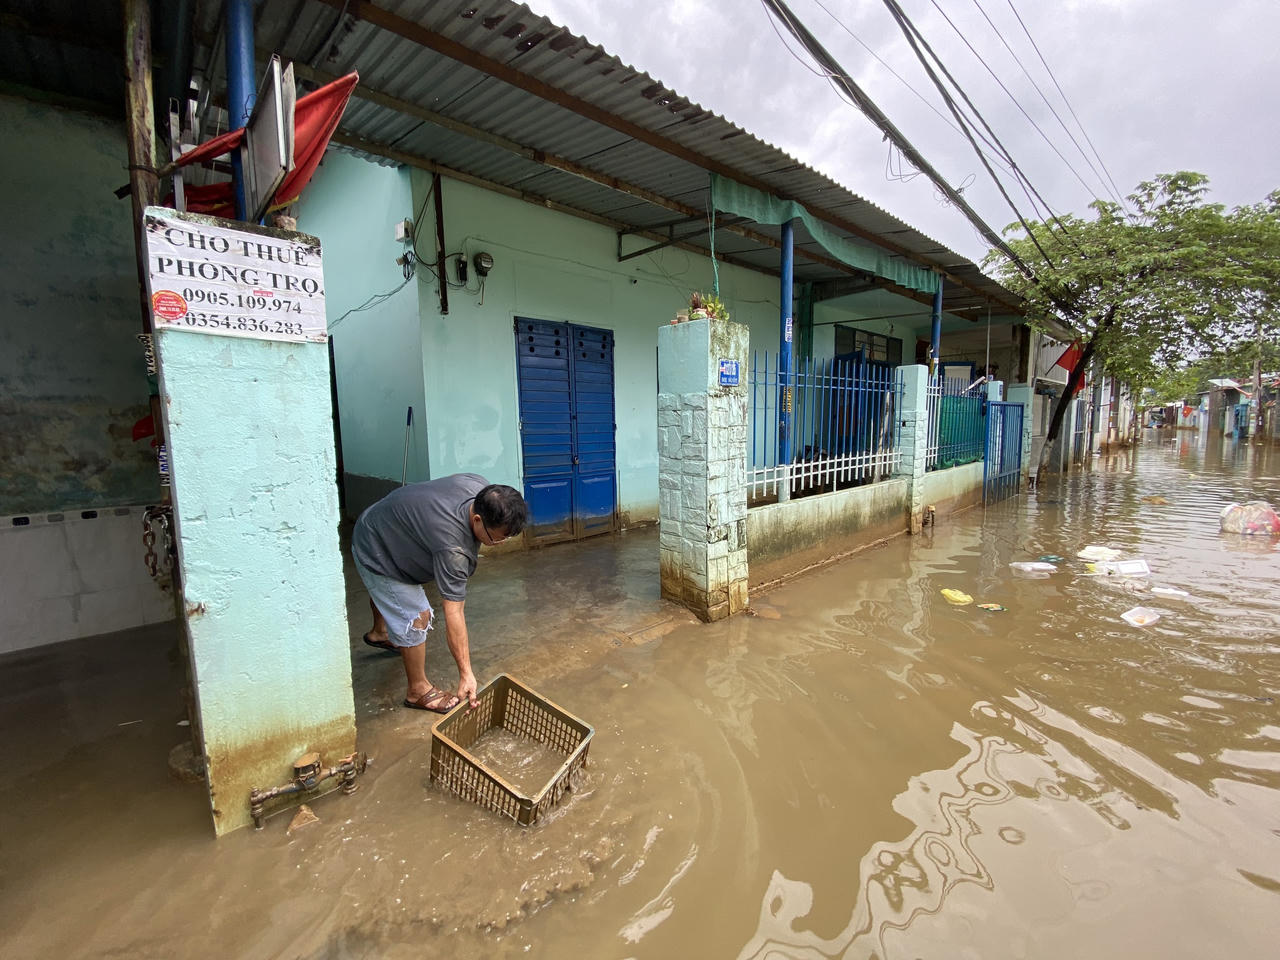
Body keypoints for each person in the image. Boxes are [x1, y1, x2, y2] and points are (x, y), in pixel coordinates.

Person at [351, 473, 528, 712]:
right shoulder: (453, 549)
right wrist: (466, 674)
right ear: (477, 519)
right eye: (497, 539)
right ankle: (417, 690)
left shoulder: (479, 486)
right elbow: (453, 612)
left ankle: (379, 632)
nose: (501, 543)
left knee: (390, 597)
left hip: (381, 519)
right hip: (374, 547)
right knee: (417, 615)